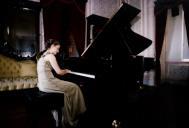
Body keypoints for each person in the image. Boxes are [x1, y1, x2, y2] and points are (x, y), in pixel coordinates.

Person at [37, 39, 86, 128]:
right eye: (57, 48)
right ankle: (76, 114)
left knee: (66, 92)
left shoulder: (42, 56)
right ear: (51, 46)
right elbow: (59, 72)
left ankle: (66, 117)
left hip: (42, 85)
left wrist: (63, 71)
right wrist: (66, 71)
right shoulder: (51, 56)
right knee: (74, 87)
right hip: (49, 83)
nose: (58, 51)